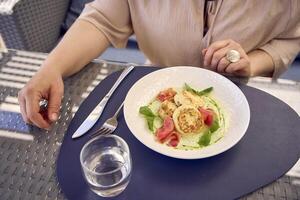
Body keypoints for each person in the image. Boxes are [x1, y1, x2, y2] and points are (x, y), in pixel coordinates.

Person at [18, 0, 300, 129]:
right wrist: (50, 68)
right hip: (155, 93)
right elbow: (102, 19)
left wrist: (252, 63)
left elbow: (291, 40)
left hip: (238, 101)